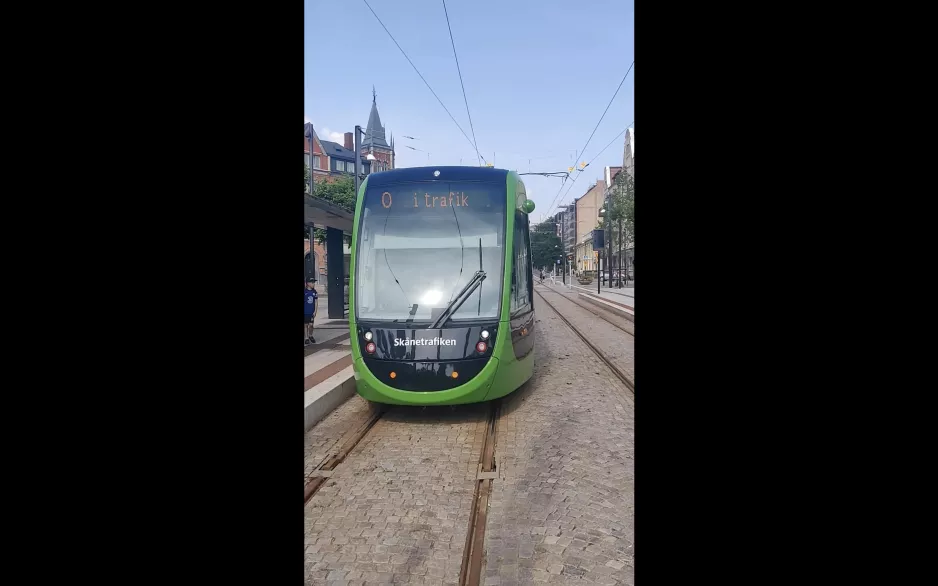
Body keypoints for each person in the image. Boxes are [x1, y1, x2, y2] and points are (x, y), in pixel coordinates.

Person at [304, 278, 318, 345]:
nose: (313, 284)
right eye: (312, 282)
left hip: (311, 312)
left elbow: (316, 302)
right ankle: (306, 338)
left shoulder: (314, 292)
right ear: (308, 283)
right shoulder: (305, 292)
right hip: (305, 312)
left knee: (311, 325)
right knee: (306, 325)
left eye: (314, 282)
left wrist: (315, 311)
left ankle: (310, 335)